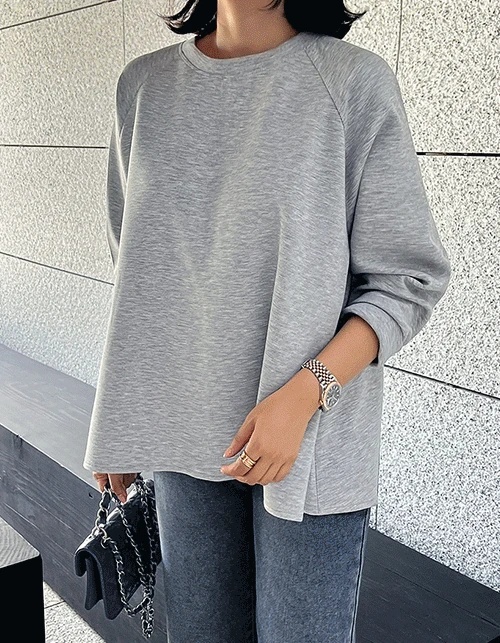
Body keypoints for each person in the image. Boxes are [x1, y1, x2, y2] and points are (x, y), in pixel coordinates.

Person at [85, 1, 452, 641]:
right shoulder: (144, 88)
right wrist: (125, 424)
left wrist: (304, 394)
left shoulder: (350, 82)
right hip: (182, 443)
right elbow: (141, 275)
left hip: (309, 442)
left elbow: (406, 280)